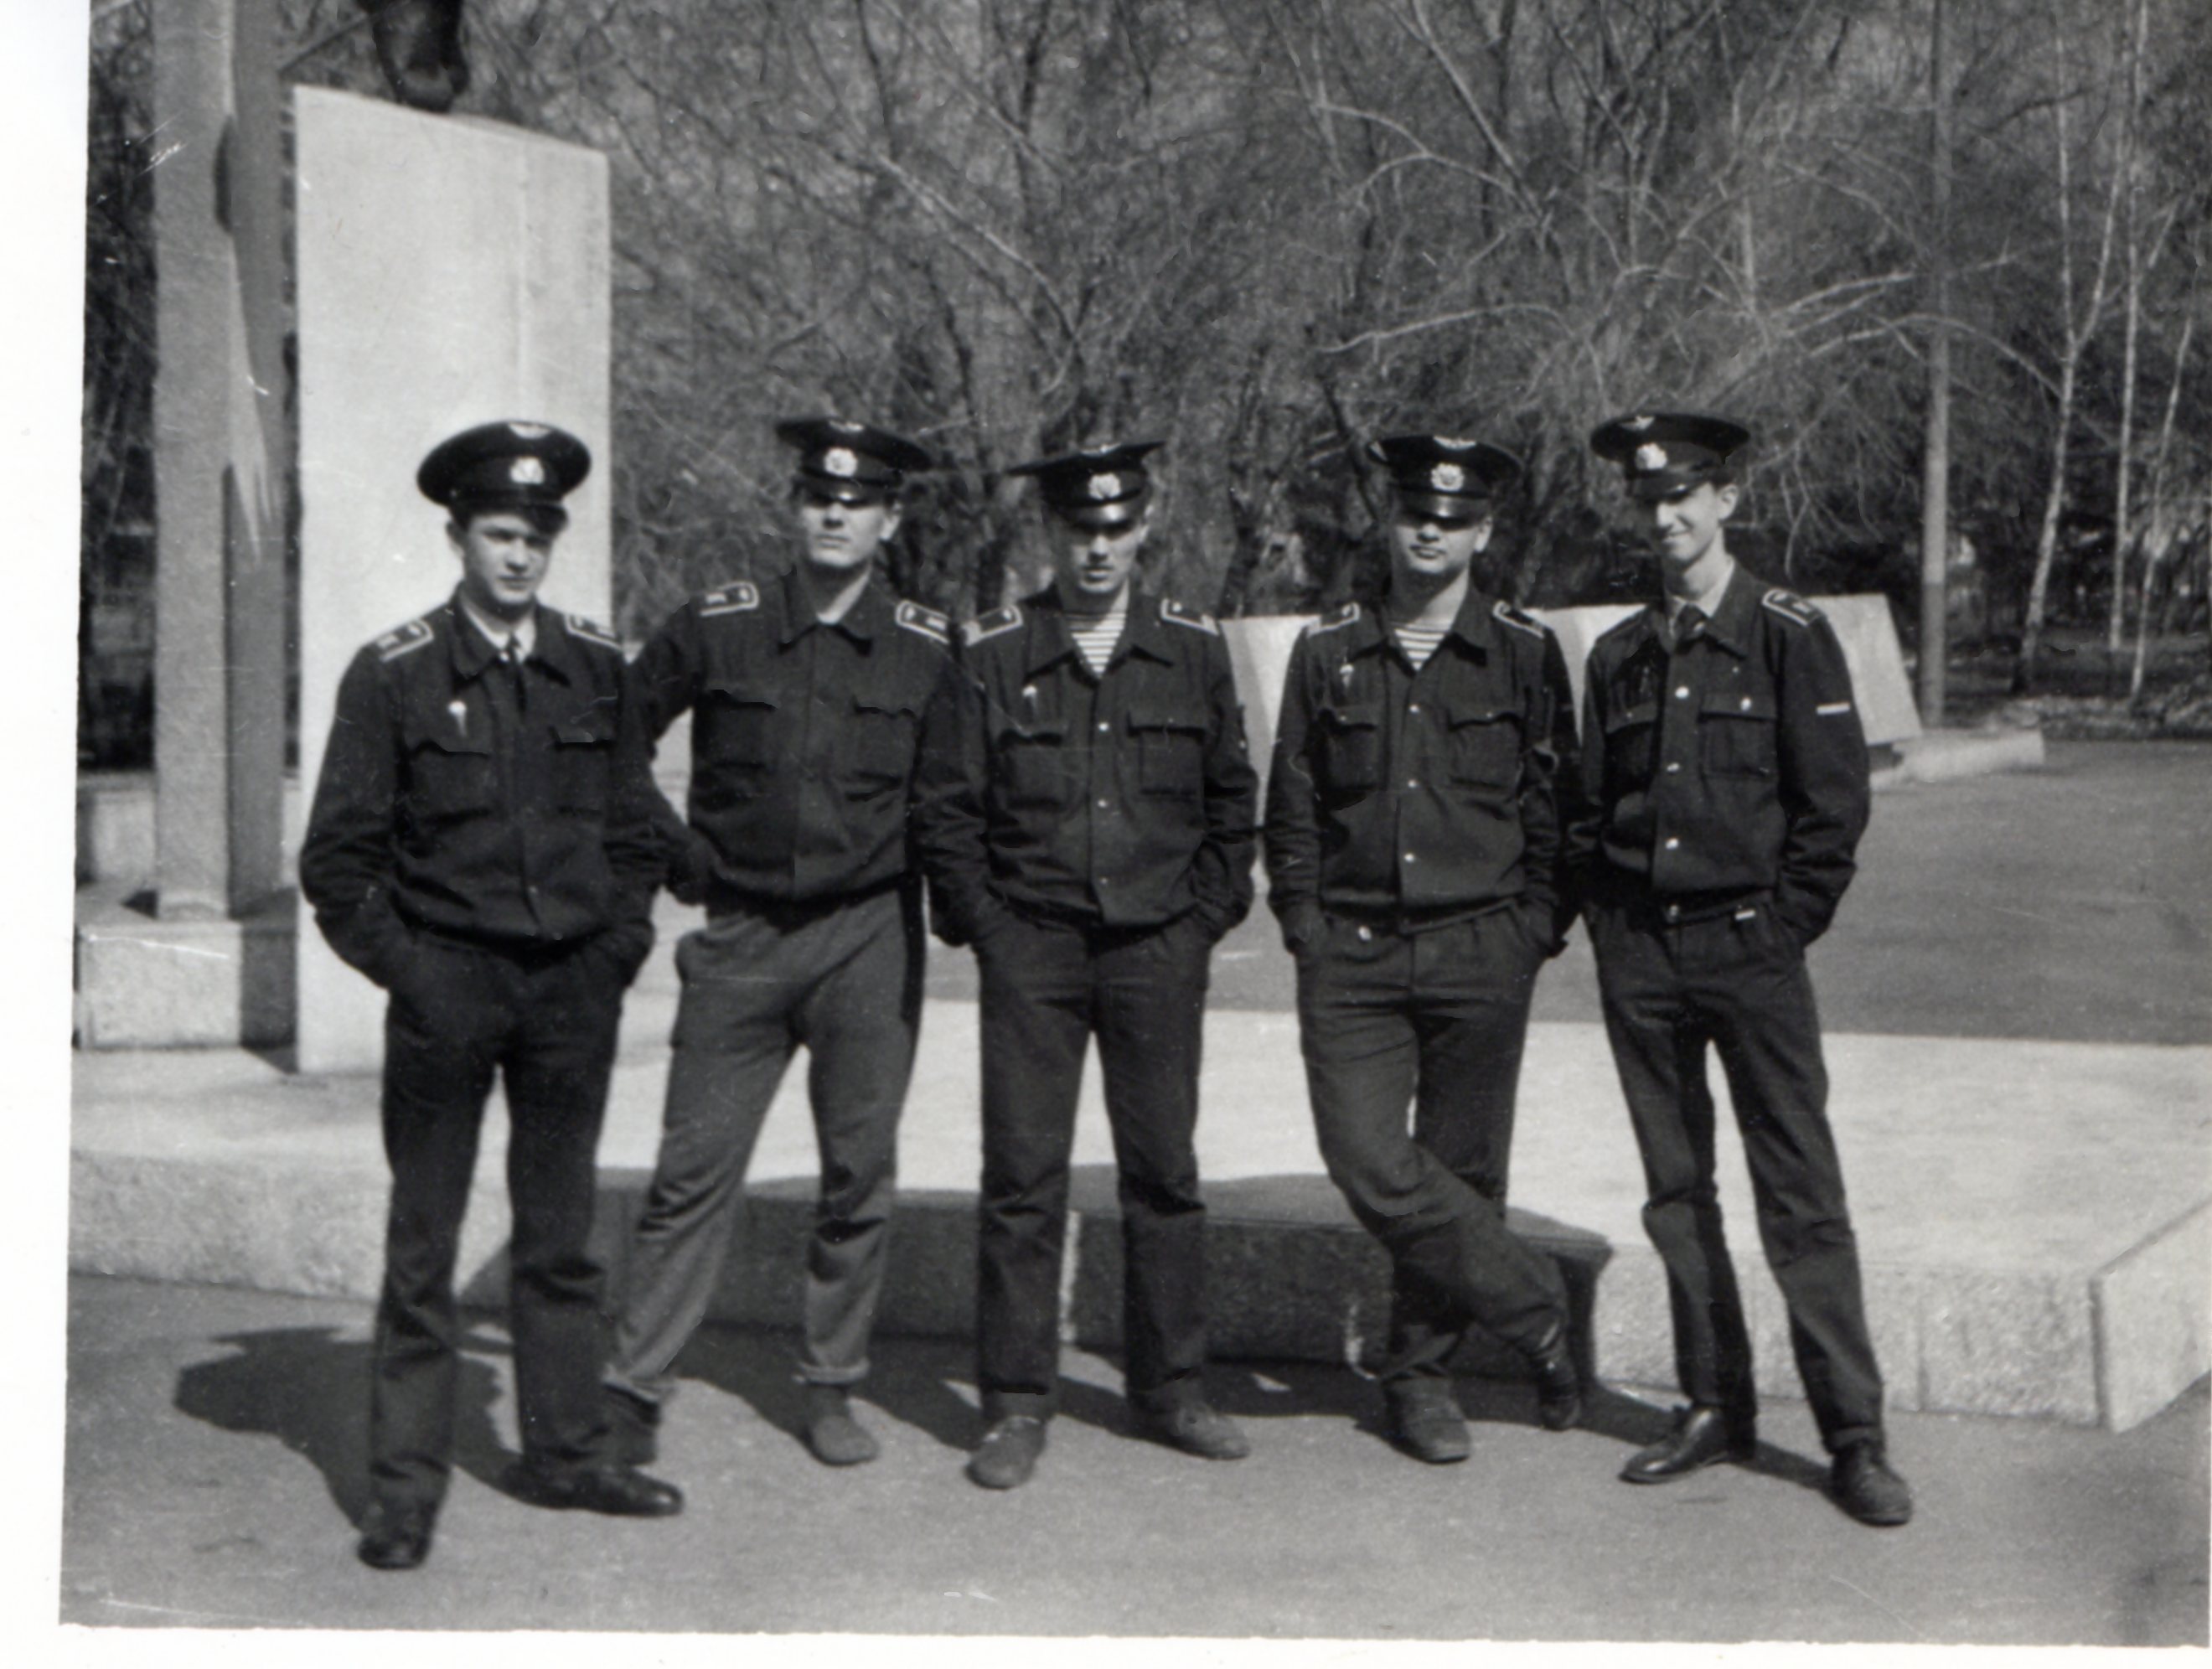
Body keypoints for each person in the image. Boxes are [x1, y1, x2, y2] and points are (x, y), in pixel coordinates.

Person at [299, 419, 681, 1572]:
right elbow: (338, 865)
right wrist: (418, 973)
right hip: (449, 994)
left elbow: (635, 827)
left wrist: (617, 947)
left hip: (570, 992)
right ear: (459, 538)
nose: (519, 556)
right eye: (500, 534)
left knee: (559, 1239)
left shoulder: (594, 665)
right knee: (425, 1247)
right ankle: (403, 1494)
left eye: (536, 537)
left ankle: (567, 1454)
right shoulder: (396, 671)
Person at [1572, 411, 1911, 1527]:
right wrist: (1612, 929)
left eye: (1685, 495)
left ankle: (1854, 1437)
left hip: (1749, 951)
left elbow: (1833, 806)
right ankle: (1715, 1404)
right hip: (1644, 955)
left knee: (1799, 1195)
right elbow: (1592, 810)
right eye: (1648, 500)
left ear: (1725, 500)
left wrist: (1781, 927)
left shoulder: (1786, 632)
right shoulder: (1621, 653)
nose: (1665, 516)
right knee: (1677, 1193)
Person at [604, 417, 956, 1474]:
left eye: (859, 503)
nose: (836, 515)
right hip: (742, 937)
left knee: (859, 1176)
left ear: (891, 520)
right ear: (795, 507)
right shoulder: (722, 625)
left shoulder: (930, 648)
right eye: (819, 498)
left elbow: (957, 796)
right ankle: (634, 1388)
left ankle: (832, 1385)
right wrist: (674, 852)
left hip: (868, 939)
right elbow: (613, 734)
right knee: (691, 1171)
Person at [914, 440, 1258, 1489]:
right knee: (1023, 1178)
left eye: (1116, 528)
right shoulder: (991, 650)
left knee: (1164, 1174)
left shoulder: (1191, 647)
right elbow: (948, 809)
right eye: (1079, 529)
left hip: (1156, 944)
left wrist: (1200, 921)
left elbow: (1231, 799)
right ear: (1050, 533)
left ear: (1143, 528)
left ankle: (1172, 1390)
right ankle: (1015, 1405)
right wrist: (994, 930)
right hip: (1036, 948)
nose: (1098, 548)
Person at [1263, 432, 1583, 1465]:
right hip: (1353, 951)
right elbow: (1294, 802)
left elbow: (1556, 807)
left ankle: (1420, 1380)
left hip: (1482, 946)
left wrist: (1533, 929)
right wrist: (1306, 926)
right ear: (1390, 522)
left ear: (1483, 534)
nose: (1431, 534)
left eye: (1454, 520)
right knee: (1365, 1156)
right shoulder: (1328, 649)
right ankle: (1536, 1305)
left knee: (1464, 1168)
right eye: (1415, 516)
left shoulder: (1524, 652)